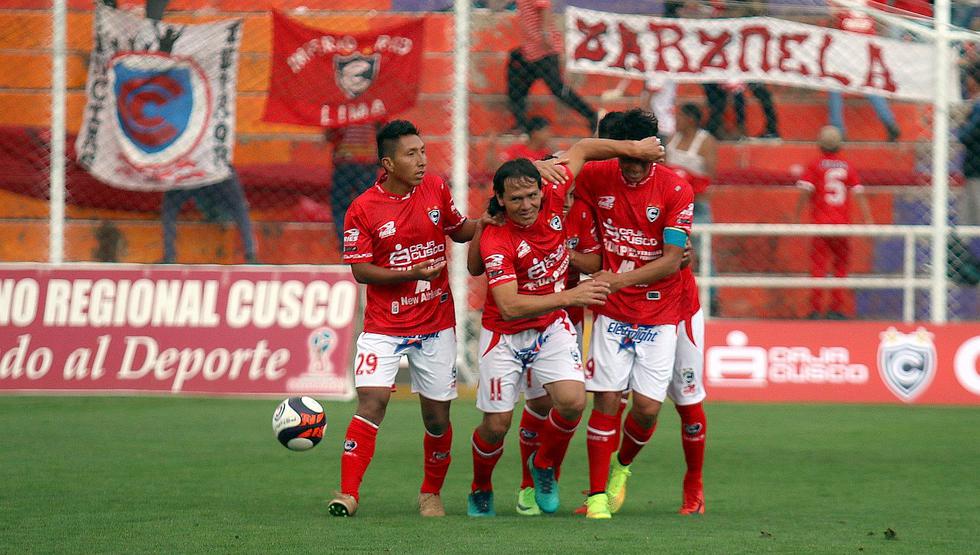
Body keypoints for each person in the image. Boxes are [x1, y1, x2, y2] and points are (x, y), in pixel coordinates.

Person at [465, 136, 665, 518]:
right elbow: (508, 306)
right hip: (504, 335)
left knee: (573, 401)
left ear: (543, 190)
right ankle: (481, 485)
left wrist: (634, 149)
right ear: (501, 201)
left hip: (551, 327)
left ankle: (544, 464)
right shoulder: (495, 237)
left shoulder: (555, 196)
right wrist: (570, 298)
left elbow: (584, 148)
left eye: (531, 196)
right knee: (496, 425)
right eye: (516, 199)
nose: (526, 206)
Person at [328, 120, 480, 518]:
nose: (421, 161)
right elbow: (360, 271)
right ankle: (348, 493)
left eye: (423, 151)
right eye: (411, 154)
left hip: (434, 323)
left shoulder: (435, 188)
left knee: (436, 416)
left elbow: (459, 229)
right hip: (384, 325)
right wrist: (412, 274)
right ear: (388, 163)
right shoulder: (363, 208)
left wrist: (488, 222)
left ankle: (430, 493)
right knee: (372, 401)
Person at [574, 108, 695, 519]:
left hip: (660, 309)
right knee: (606, 400)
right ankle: (595, 497)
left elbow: (672, 259)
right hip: (613, 310)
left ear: (655, 157)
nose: (631, 170)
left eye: (640, 162)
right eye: (626, 160)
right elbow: (568, 160)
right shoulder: (597, 175)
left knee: (646, 408)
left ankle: (620, 468)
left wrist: (616, 280)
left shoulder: (677, 190)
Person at [794, 125, 873, 319]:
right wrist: (868, 218)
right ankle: (836, 309)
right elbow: (858, 192)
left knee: (818, 266)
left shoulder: (814, 165)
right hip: (842, 224)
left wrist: (796, 215)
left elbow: (806, 191)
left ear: (819, 144)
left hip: (821, 223)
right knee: (840, 266)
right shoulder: (848, 166)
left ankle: (815, 309)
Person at [506, 0, 598, 133]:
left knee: (558, 90)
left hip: (544, 51)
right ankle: (521, 124)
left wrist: (545, 35)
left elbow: (544, 8)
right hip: (529, 52)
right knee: (517, 88)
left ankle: (592, 116)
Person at [828, 2, 901, 142]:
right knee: (870, 88)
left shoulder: (843, 7)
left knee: (835, 86)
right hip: (866, 53)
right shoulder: (870, 5)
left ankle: (838, 130)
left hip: (847, 52)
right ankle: (889, 123)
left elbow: (832, 20)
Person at [161, 168, 257, 264]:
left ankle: (169, 256)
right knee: (239, 207)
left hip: (191, 172)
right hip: (212, 171)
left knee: (169, 210)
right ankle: (250, 255)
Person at [327, 123, 378, 244]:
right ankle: (369, 242)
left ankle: (346, 244)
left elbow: (331, 135)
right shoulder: (374, 108)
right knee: (369, 206)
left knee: (340, 206)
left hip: (344, 160)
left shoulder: (339, 110)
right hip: (368, 160)